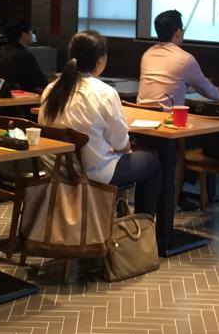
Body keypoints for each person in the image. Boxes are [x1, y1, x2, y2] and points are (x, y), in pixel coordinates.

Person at [39, 31, 161, 216]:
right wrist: (123, 148)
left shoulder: (51, 88)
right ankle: (144, 227)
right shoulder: (104, 92)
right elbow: (121, 145)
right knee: (153, 162)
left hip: (56, 167)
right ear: (101, 60)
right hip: (94, 172)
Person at [137, 10, 219, 108]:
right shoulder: (185, 59)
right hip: (166, 116)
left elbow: (169, 84)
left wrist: (194, 87)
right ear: (178, 32)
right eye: (183, 29)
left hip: (140, 113)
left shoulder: (147, 54)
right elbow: (208, 91)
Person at [0, 20, 48, 93]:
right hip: (25, 94)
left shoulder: (4, 51)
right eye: (31, 31)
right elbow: (41, 81)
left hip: (10, 92)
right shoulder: (24, 55)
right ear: (24, 35)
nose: (33, 34)